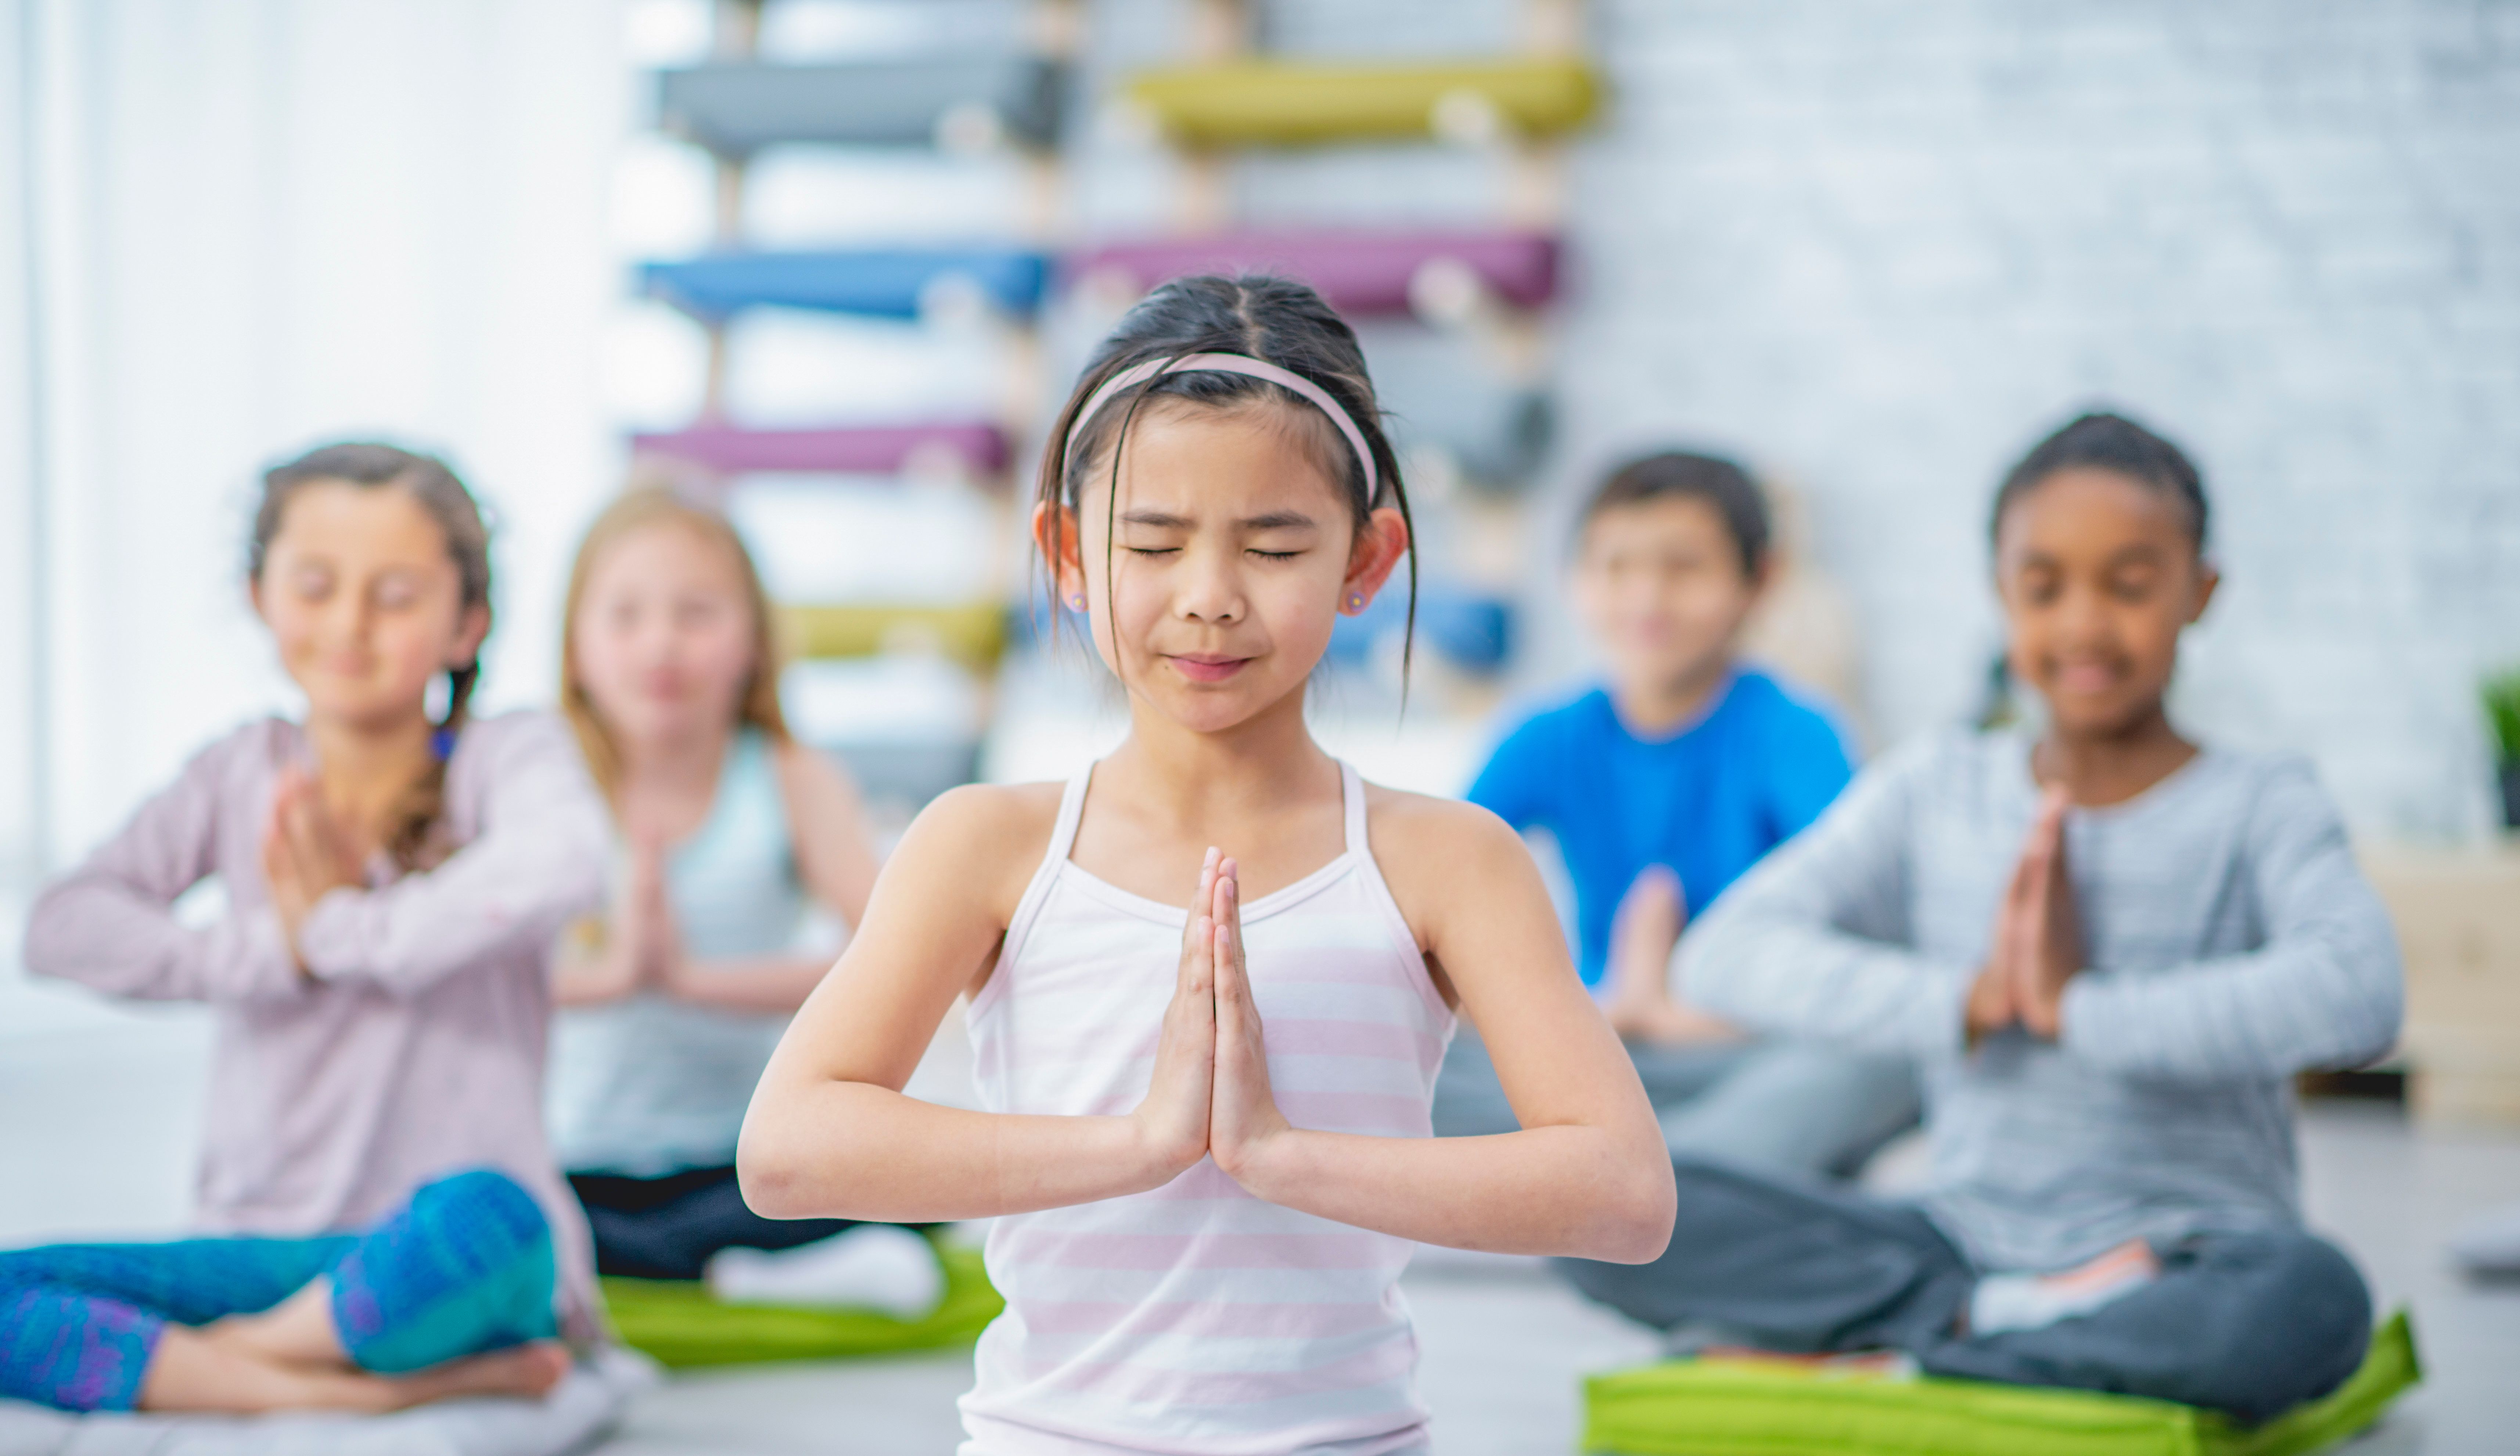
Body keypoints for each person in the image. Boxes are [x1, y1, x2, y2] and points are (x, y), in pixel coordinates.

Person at [737, 274, 1675, 1455]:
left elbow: (1626, 1194)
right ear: (1067, 555)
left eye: (1274, 544)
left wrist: (1282, 1156)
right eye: (1153, 541)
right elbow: (786, 1152)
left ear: (1365, 562)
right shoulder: (985, 844)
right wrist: (1138, 1145)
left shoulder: (1447, 861)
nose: (1210, 598)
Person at [1559, 412, 2402, 1422]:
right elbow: (1725, 955)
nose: (2083, 623)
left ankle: (1923, 1357)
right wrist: (1969, 998)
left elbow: (2360, 992)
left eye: (2128, 585)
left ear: (2198, 592)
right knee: (1592, 1197)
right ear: (2001, 593)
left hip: (2191, 1252)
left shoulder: (2262, 800)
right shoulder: (1936, 787)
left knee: (2312, 1298)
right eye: (2043, 587)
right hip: (1958, 1242)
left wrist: (2079, 1010)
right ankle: (2002, 1323)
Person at [14, 442, 610, 1411]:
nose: (349, 623)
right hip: (266, 1251)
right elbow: (63, 926)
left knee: (493, 1216)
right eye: (317, 585)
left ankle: (225, 1366)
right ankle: (341, 1388)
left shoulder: (506, 757)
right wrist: (271, 951)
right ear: (262, 597)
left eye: (397, 594)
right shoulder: (236, 771)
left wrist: (338, 929)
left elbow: (566, 861)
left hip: (443, 1256)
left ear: (469, 624)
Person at [1437, 451, 1918, 1179]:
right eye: (1616, 567)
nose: (1647, 597)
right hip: (1593, 1049)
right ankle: (1670, 1174)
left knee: (1885, 1061)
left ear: (1759, 581)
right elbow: (1433, 894)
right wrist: (1598, 1007)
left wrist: (1683, 1012)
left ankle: (1627, 1173)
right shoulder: (1545, 734)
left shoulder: (1796, 732)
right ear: (1575, 581)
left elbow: (1862, 934)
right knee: (1401, 1058)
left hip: (1741, 1047)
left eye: (1684, 568)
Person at [544, 486, 921, 1294]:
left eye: (696, 612)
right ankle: (710, 1268)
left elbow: (894, 961)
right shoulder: (539, 787)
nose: (661, 644)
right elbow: (473, 982)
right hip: (573, 1157)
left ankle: (695, 1261)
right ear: (575, 648)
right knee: (496, 1210)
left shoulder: (791, 779)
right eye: (626, 615)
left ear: (754, 641)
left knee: (902, 1176)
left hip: (743, 1156)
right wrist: (611, 978)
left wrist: (694, 982)